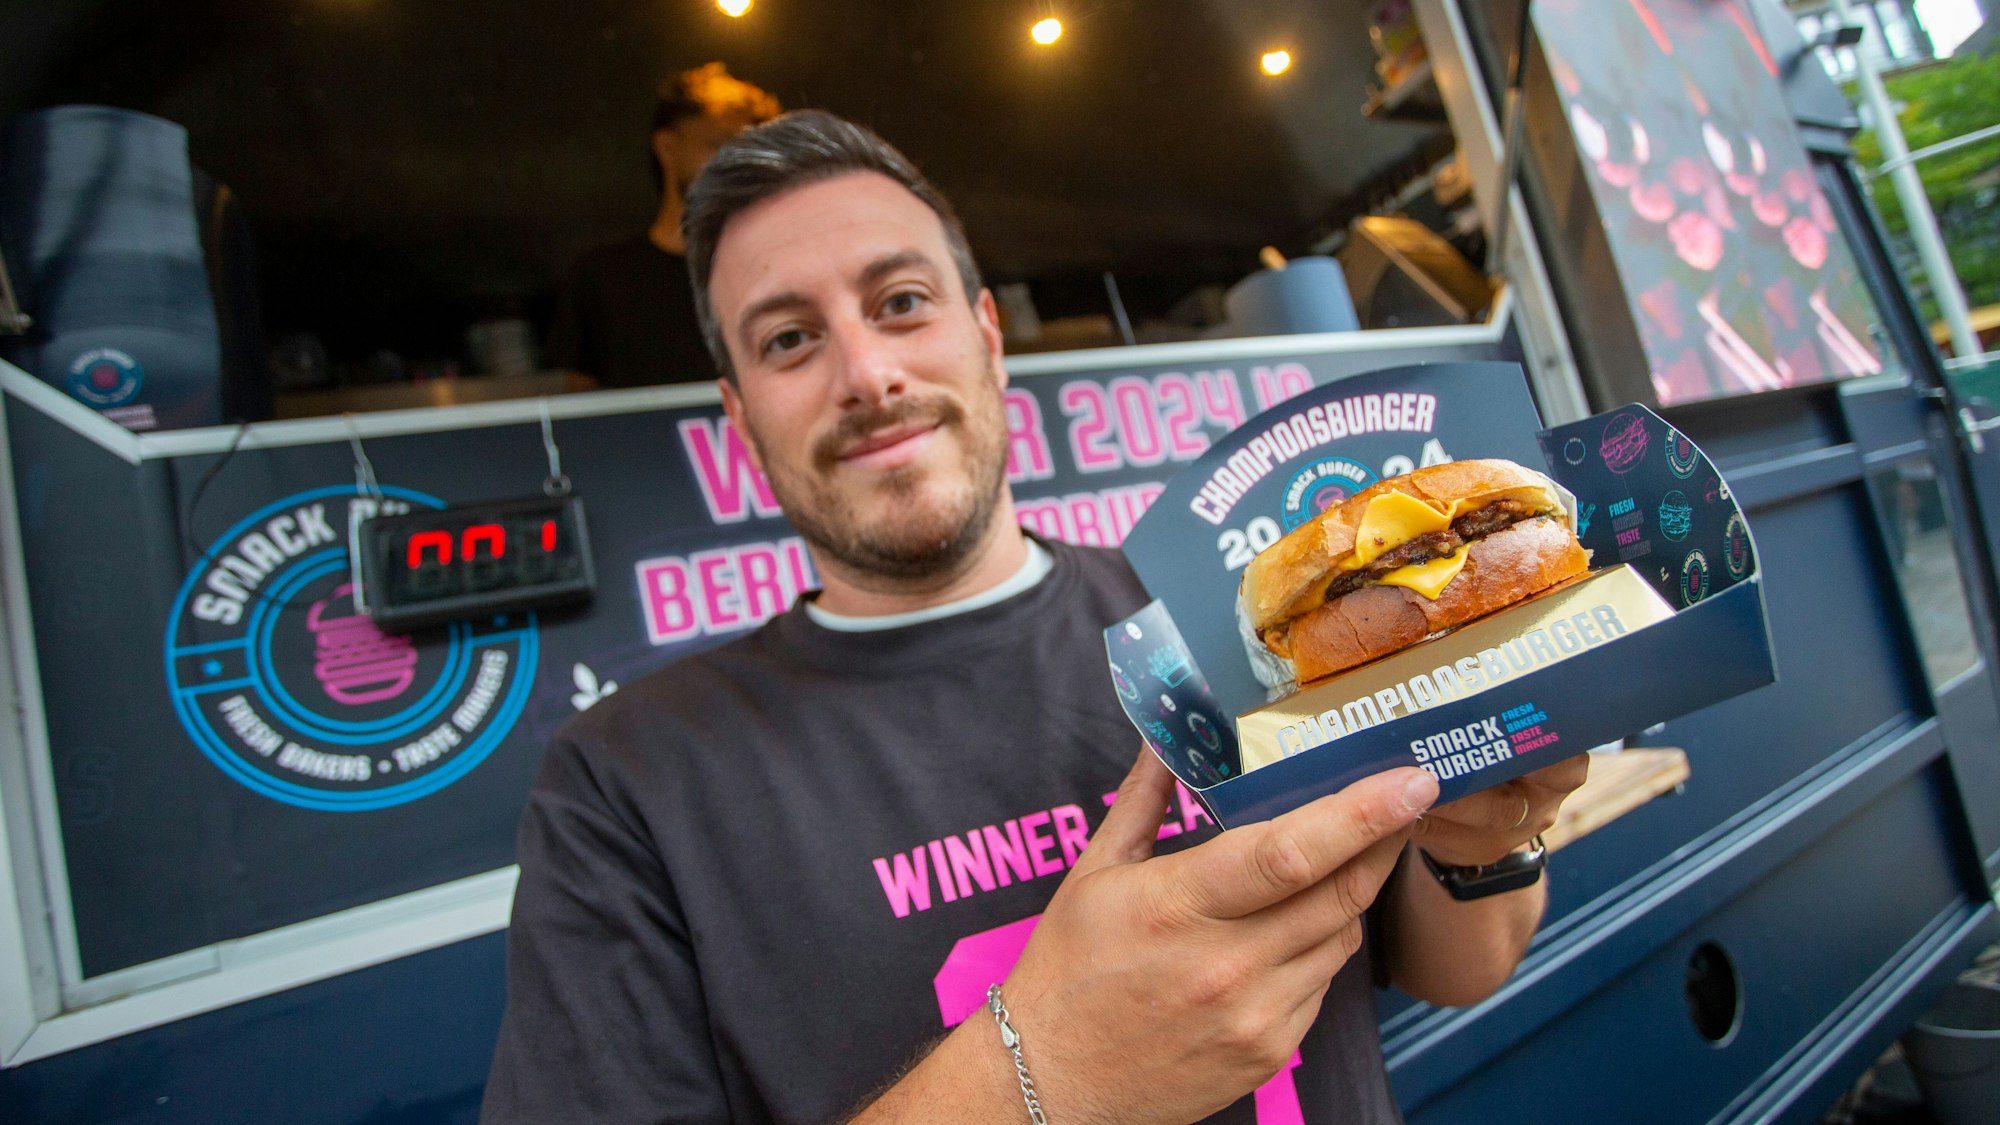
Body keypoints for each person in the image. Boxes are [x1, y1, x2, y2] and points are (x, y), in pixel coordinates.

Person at [483, 109, 1588, 1124]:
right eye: (786, 340)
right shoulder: (623, 783)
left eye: (899, 304)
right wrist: (1042, 1068)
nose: (865, 373)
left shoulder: (1233, 627)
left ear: (985, 333)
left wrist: (1487, 839)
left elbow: (1462, 964)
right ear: (737, 413)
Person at [546, 62, 780, 387]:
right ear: (667, 147)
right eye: (718, 143)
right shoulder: (602, 279)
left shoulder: (775, 273)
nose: (737, 162)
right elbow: (579, 419)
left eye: (749, 149)